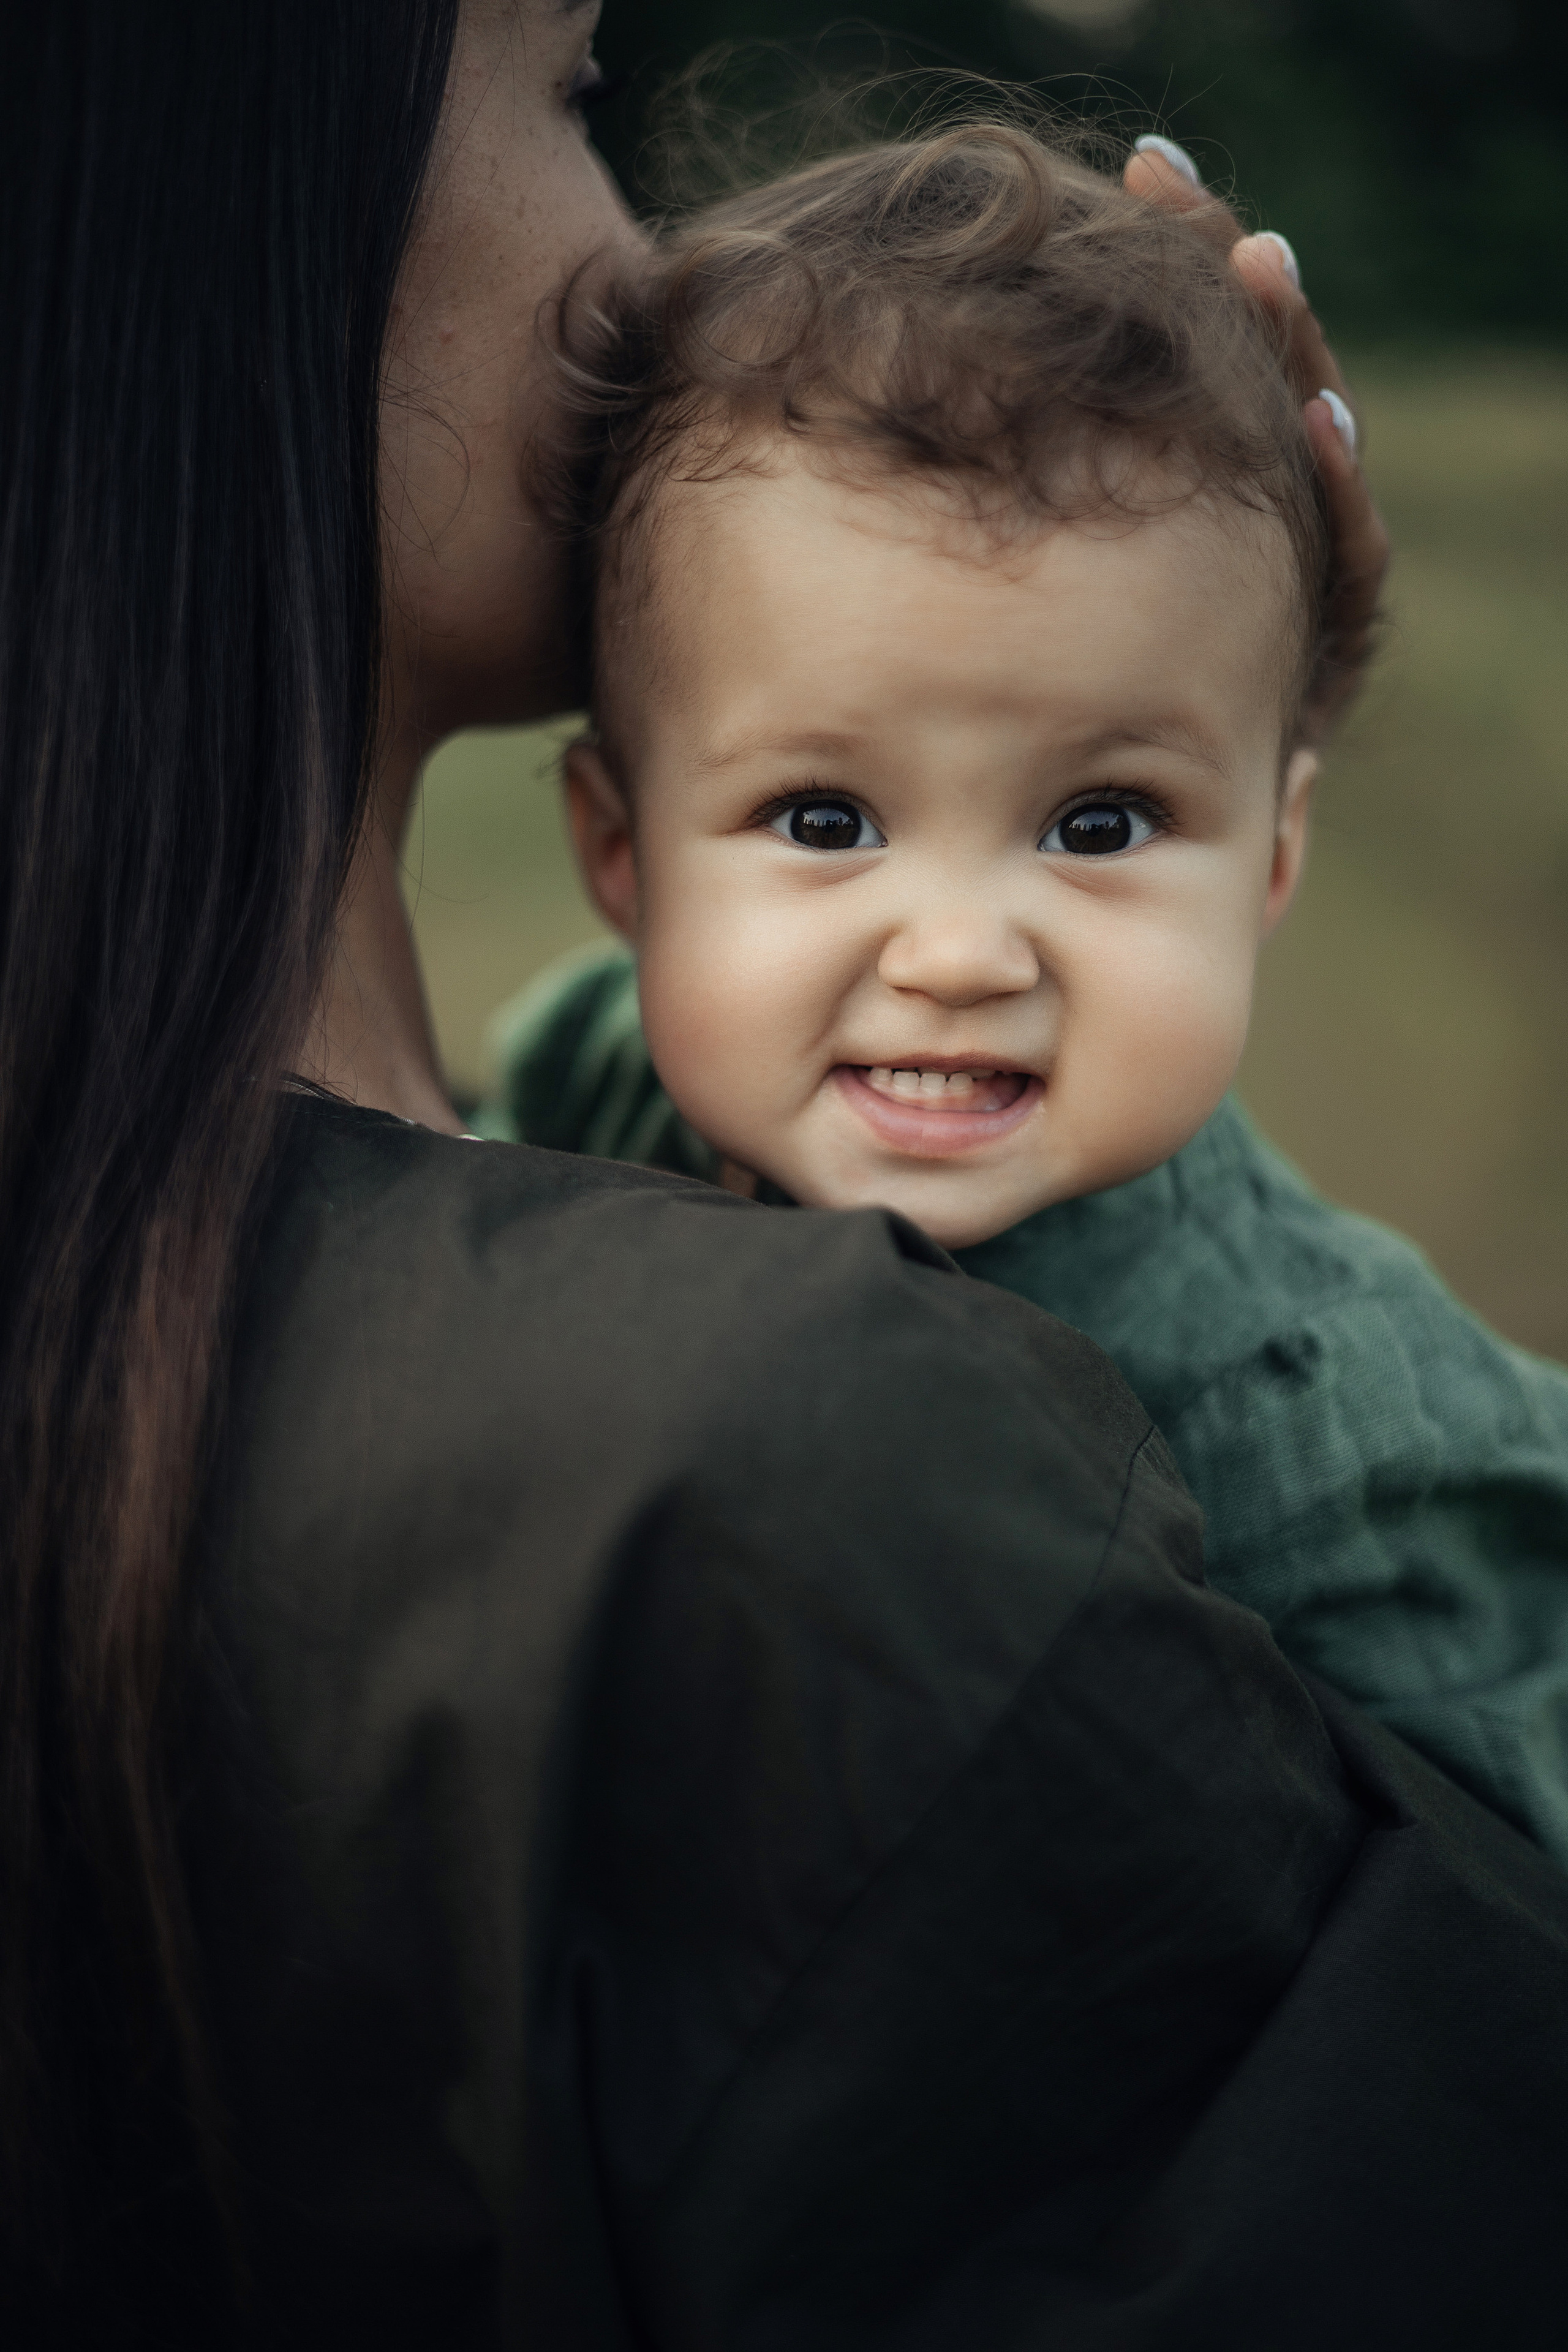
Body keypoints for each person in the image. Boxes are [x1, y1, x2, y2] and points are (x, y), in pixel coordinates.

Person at [3, 7, 1565, 2349]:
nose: (643, 262)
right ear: (235, 217)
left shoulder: (384, 1186)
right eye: (567, 99)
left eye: (1102, 818)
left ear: (1278, 851)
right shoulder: (811, 1481)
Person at [485, 124, 1568, 1869]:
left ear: (1272, 859)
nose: (966, 951)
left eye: (1101, 823)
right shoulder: (584, 1087)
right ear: (624, 858)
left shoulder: (1306, 1427)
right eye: (825, 820)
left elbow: (1482, 1940)